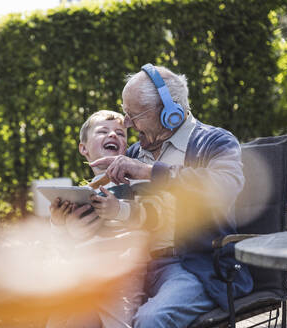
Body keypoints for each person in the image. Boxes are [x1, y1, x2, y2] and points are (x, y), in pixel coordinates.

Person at [90, 64, 254, 328]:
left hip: (194, 267)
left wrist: (149, 171)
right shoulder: (134, 153)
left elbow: (224, 186)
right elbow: (117, 213)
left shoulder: (214, 141)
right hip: (136, 265)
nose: (128, 124)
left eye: (134, 115)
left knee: (152, 320)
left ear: (170, 112)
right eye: (125, 114)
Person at [47, 110, 173, 328]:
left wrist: (120, 209)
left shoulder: (134, 182)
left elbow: (150, 217)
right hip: (83, 274)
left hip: (122, 272)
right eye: (103, 131)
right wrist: (58, 223)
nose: (113, 136)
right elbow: (63, 245)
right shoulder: (80, 193)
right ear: (83, 148)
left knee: (118, 322)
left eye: (120, 134)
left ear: (125, 148)